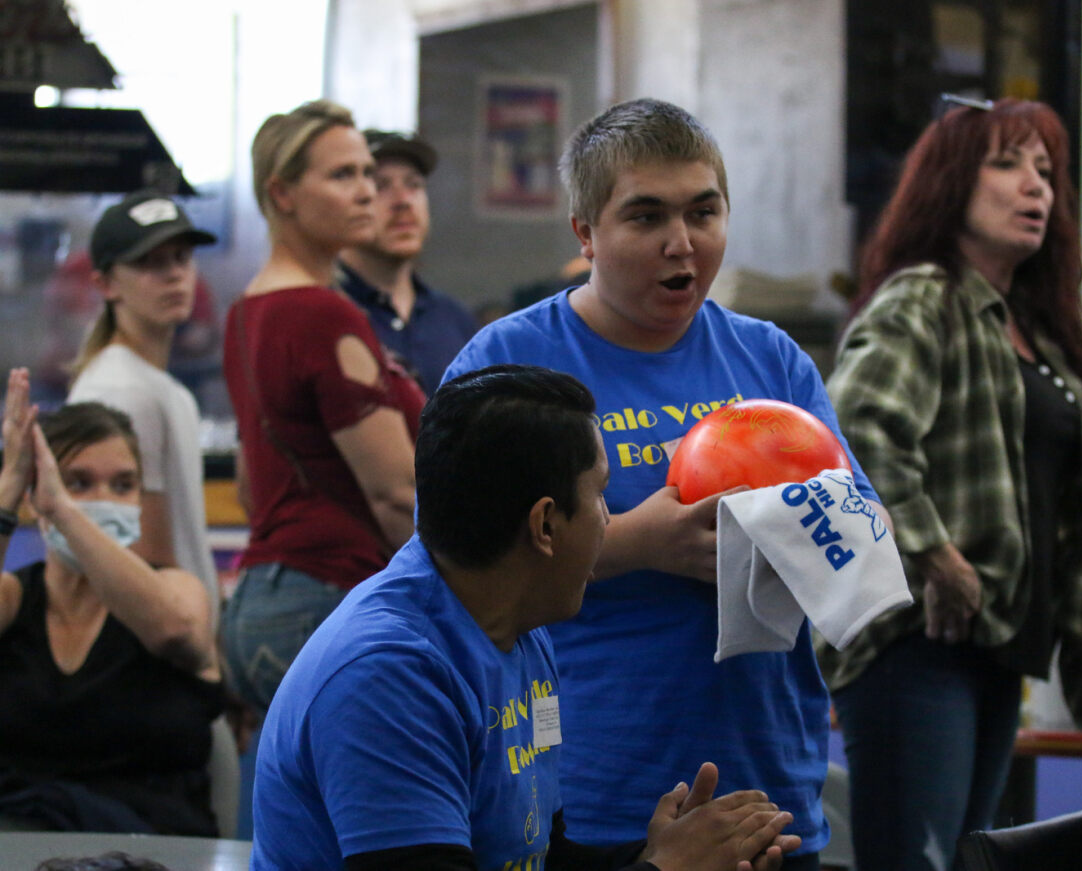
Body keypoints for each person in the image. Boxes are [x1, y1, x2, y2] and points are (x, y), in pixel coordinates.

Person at [442, 98, 890, 869]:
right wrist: (631, 542)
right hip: (590, 788)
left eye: (702, 212)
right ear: (584, 233)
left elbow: (855, 536)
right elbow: (445, 559)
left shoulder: (772, 359)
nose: (680, 244)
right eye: (645, 217)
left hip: (768, 780)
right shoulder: (506, 363)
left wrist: (798, 541)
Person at [252, 363, 801, 870]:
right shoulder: (387, 676)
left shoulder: (518, 628)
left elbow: (541, 857)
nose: (609, 520)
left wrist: (671, 850)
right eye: (601, 495)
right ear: (544, 525)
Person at [819, 97, 1082, 871]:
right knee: (921, 862)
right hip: (918, 642)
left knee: (970, 860)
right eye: (1006, 164)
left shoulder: (1035, 328)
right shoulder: (926, 295)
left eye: (1044, 172)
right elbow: (855, 427)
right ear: (950, 183)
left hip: (995, 643)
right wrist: (933, 552)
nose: (1034, 188)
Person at [221, 100, 425, 714]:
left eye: (367, 172)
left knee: (284, 803)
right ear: (281, 193)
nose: (368, 192)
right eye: (343, 176)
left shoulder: (247, 312)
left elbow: (251, 487)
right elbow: (396, 495)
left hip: (261, 602)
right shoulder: (321, 312)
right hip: (325, 593)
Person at [0, 370, 224, 835]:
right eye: (77, 482)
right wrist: (9, 488)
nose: (102, 500)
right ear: (36, 494)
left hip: (152, 847)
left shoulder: (179, 593)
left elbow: (176, 631)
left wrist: (65, 510)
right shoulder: (14, 598)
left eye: (122, 486)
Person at [66, 190, 220, 617]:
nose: (174, 274)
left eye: (182, 257)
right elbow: (146, 561)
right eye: (151, 262)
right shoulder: (122, 390)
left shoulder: (160, 388)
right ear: (106, 284)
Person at [337, 130, 479, 393]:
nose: (403, 201)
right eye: (380, 186)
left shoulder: (452, 318)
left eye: (414, 184)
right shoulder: (328, 314)